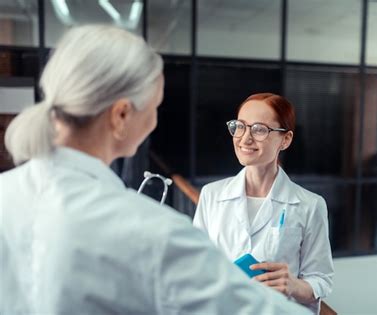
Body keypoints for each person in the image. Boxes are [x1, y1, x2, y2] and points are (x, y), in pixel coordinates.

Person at [0, 26, 311, 315]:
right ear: (121, 115)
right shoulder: (153, 232)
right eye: (154, 108)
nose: (154, 122)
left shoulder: (6, 194)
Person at [193, 93, 335, 314]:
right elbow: (196, 264)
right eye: (240, 126)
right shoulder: (211, 195)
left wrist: (293, 285)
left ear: (285, 140)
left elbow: (322, 280)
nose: (245, 138)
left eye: (259, 129)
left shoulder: (310, 205)